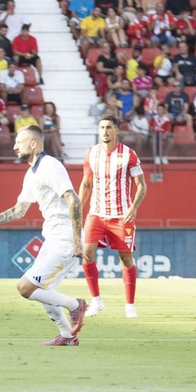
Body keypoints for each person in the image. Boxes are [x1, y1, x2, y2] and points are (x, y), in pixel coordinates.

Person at [0, 125, 89, 346]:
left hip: (66, 238)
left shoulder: (50, 166)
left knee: (25, 287)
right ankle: (67, 336)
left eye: (19, 142)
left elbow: (74, 200)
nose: (14, 146)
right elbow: (18, 211)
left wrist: (78, 242)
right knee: (42, 290)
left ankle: (75, 305)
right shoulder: (32, 173)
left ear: (33, 144)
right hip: (52, 237)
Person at [79, 116, 146, 318]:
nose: (105, 131)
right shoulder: (91, 153)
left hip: (121, 216)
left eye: (109, 127)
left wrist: (134, 208)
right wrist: (77, 211)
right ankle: (96, 300)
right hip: (96, 213)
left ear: (117, 130)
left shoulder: (129, 155)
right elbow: (87, 183)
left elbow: (141, 185)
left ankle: (129, 305)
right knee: (86, 253)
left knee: (126, 259)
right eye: (102, 127)